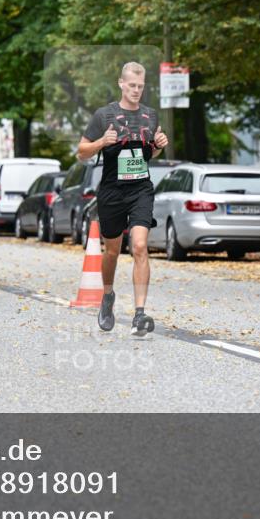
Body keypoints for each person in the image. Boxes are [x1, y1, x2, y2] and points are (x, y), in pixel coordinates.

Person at [76, 61, 169, 336]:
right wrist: (101, 142)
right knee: (113, 250)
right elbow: (81, 152)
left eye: (140, 86)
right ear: (121, 83)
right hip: (112, 190)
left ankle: (140, 314)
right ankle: (107, 295)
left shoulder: (151, 116)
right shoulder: (104, 116)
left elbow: (148, 154)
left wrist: (159, 145)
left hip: (140, 189)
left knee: (139, 246)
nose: (136, 90)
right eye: (132, 85)